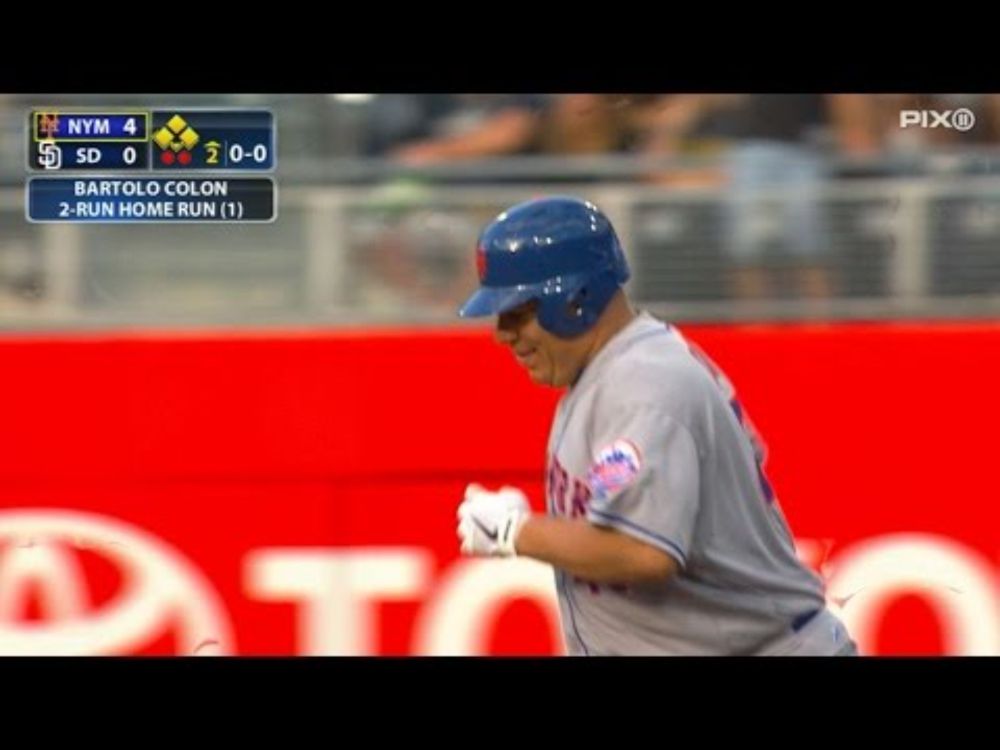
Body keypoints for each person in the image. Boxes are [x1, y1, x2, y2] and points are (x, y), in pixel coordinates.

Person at [454, 195, 857, 656]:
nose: (502, 333)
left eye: (518, 311)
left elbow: (641, 553)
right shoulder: (615, 369)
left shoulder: (643, 384)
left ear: (573, 300)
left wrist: (516, 532)